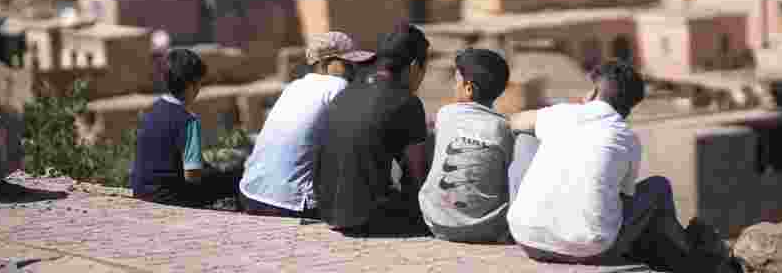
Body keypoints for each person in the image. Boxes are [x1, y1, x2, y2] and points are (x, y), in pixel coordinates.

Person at [505, 60, 741, 272]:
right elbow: (623, 198)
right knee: (659, 186)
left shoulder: (560, 114)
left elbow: (515, 122)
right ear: (629, 107)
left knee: (526, 139)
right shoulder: (627, 138)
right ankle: (683, 253)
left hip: (527, 240)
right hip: (591, 251)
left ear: (594, 91)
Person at [239, 32, 375, 218]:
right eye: (347, 63)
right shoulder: (337, 86)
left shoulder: (293, 87)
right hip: (290, 203)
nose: (353, 69)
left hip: (250, 192)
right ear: (324, 64)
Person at [315, 22, 431, 236]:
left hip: (326, 212)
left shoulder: (346, 93)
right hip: (368, 219)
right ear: (415, 66)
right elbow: (417, 176)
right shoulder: (407, 103)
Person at [419, 48, 513, 243]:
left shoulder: (445, 114)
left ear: (468, 88)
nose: (454, 87)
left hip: (437, 222)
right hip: (488, 228)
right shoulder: (503, 128)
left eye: (456, 82)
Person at [131, 48, 241, 208]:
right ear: (192, 85)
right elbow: (192, 176)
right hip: (171, 197)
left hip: (142, 192)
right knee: (235, 177)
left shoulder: (149, 111)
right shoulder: (188, 121)